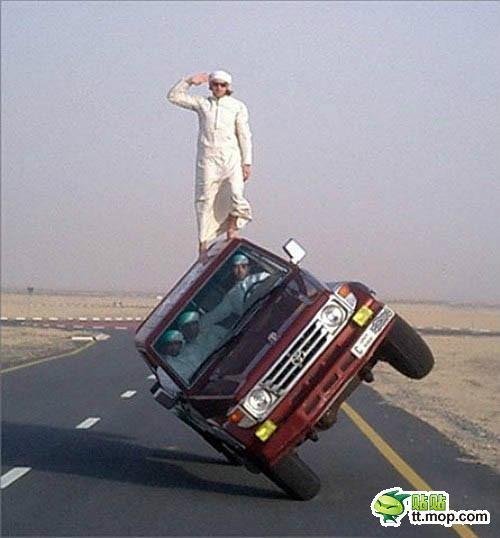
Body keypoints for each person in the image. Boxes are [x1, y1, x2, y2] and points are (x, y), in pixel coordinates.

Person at [168, 70, 253, 261]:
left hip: (231, 157)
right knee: (205, 199)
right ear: (210, 86)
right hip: (208, 159)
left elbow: (244, 135)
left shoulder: (237, 106)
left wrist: (247, 162)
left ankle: (232, 229)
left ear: (228, 87)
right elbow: (173, 97)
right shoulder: (202, 104)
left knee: (236, 193)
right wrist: (189, 81)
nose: (219, 88)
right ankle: (203, 245)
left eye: (223, 85)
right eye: (215, 84)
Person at [202, 253, 270, 326]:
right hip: (256, 323)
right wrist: (199, 324)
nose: (240, 270)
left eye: (243, 266)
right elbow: (215, 315)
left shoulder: (261, 277)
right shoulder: (231, 296)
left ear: (248, 267)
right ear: (232, 270)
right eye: (236, 267)